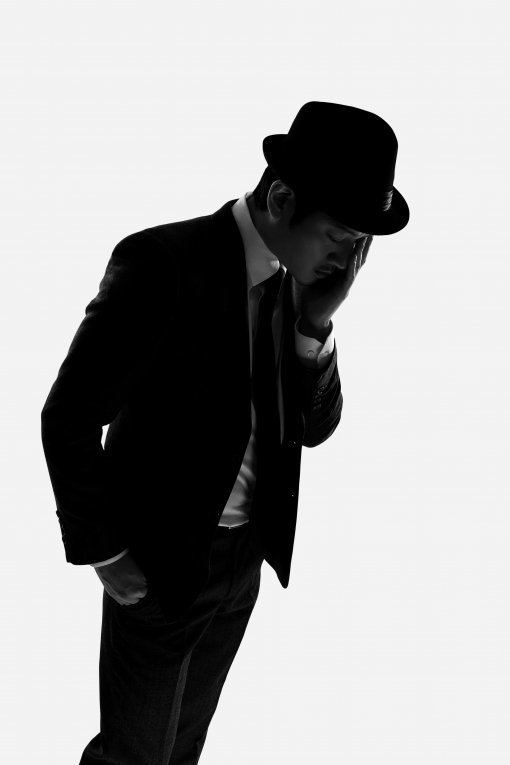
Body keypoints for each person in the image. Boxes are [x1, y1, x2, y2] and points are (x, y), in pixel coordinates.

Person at [40, 100, 410, 765]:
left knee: (183, 746)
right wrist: (105, 551)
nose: (347, 261)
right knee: (135, 754)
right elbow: (67, 415)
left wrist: (315, 327)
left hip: (243, 563)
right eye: (338, 237)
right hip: (158, 563)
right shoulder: (163, 263)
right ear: (282, 198)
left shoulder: (300, 289)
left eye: (362, 246)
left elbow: (316, 429)